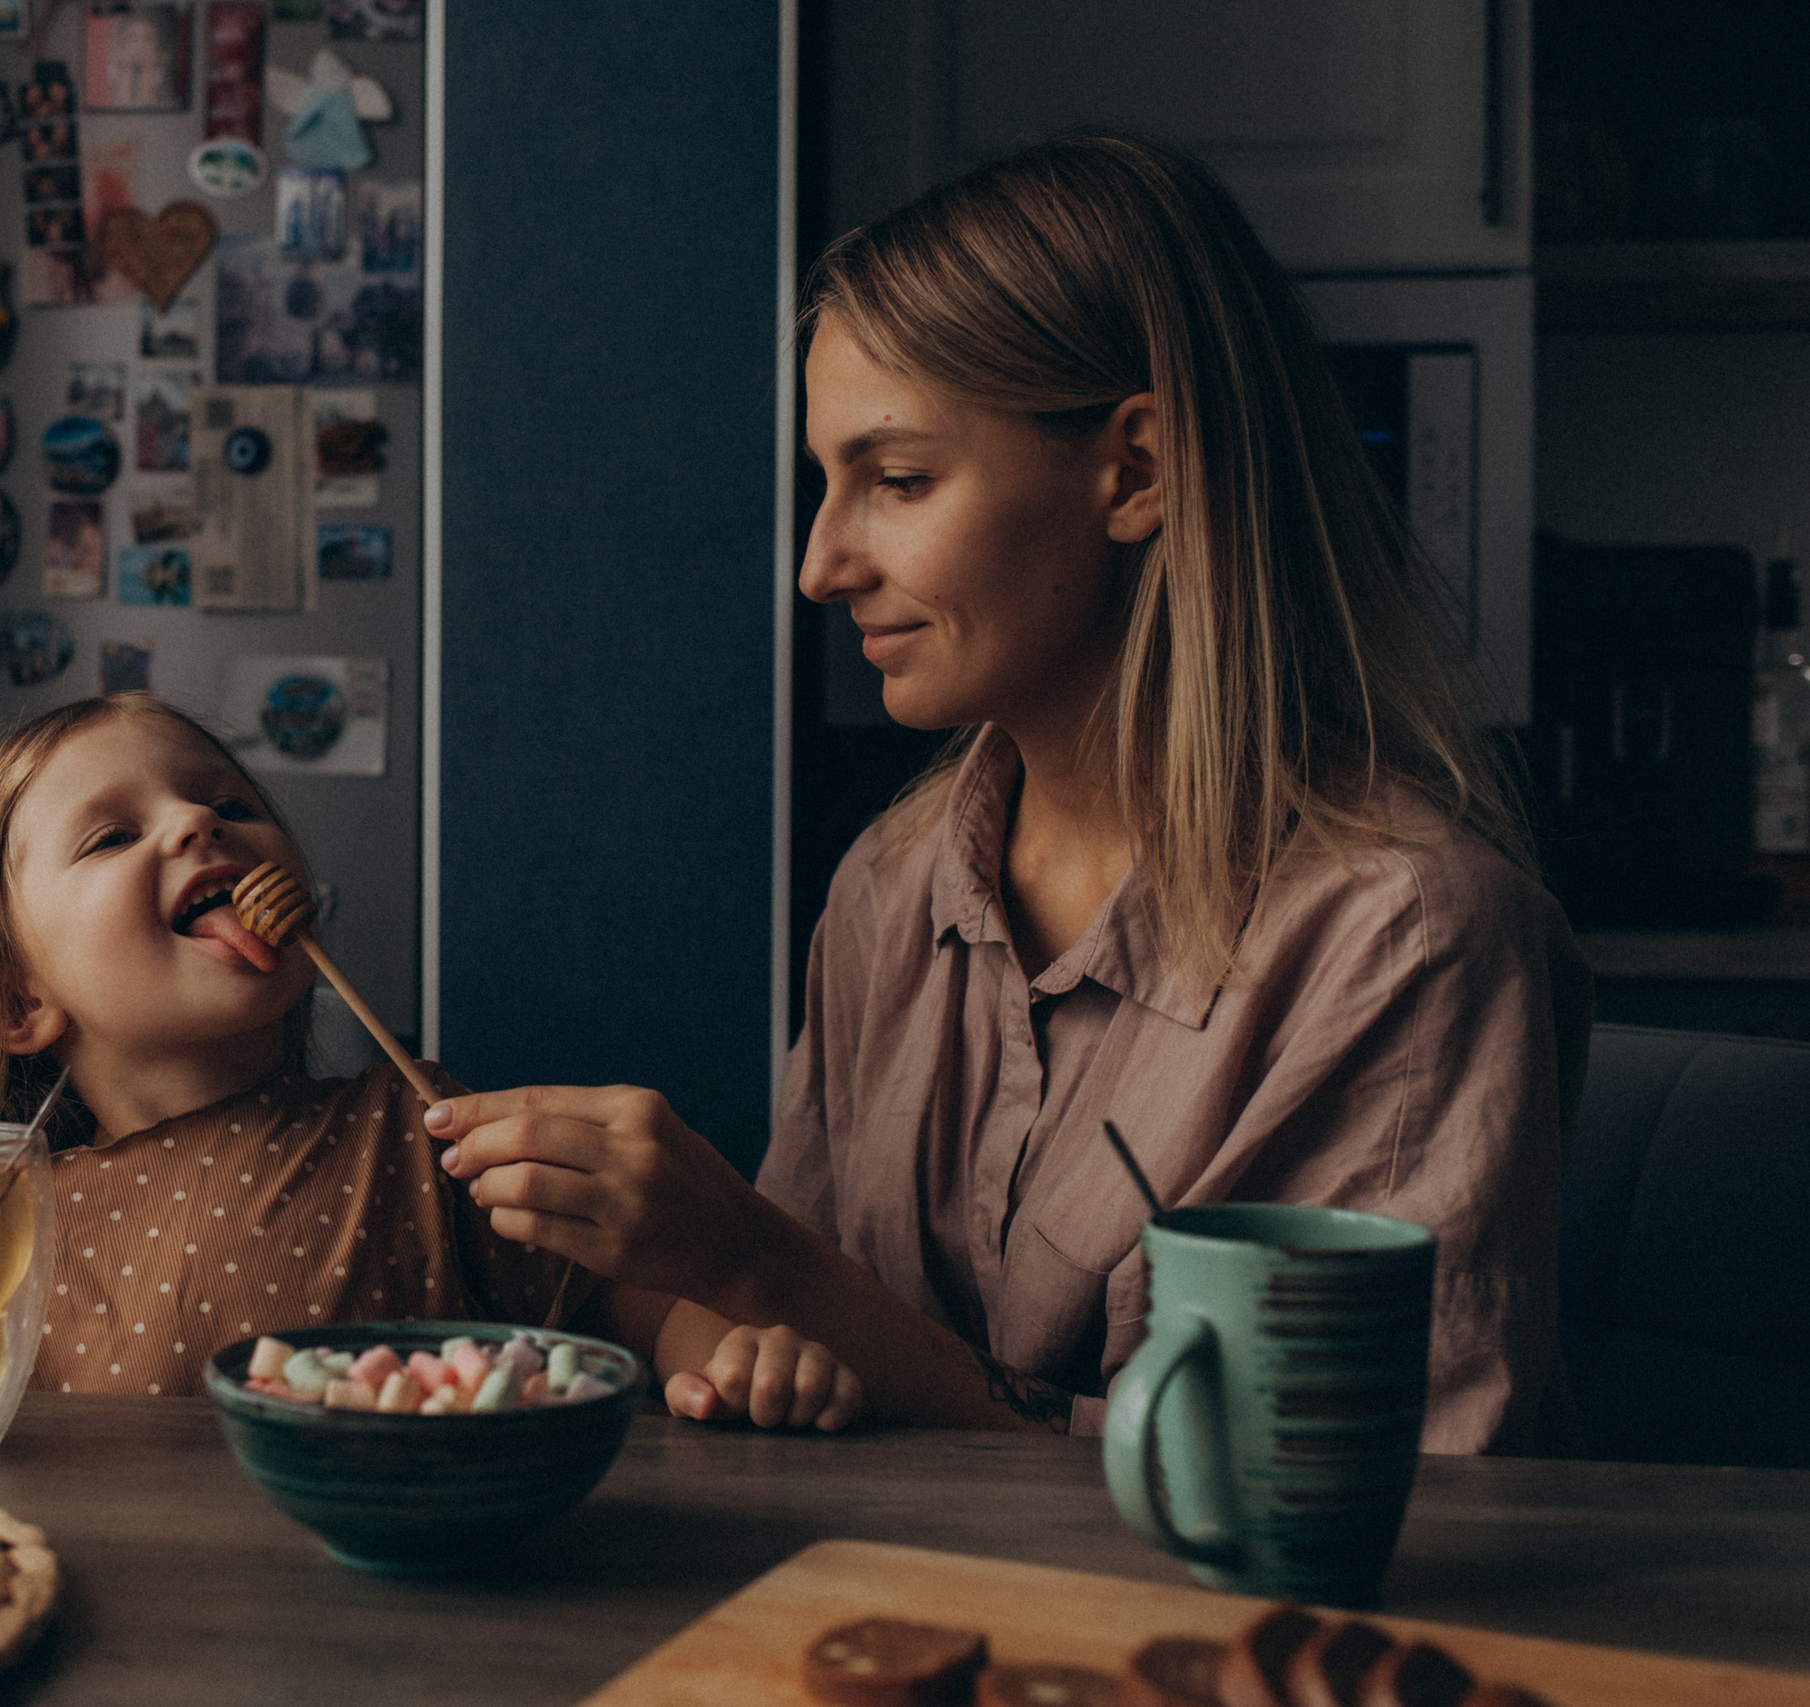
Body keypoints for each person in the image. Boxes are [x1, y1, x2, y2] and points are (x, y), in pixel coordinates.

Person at [430, 134, 1591, 1454]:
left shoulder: (1406, 940)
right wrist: (721, 1326)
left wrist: (771, 1268)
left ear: (1138, 471)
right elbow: (791, 1355)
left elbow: (1340, 1512)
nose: (821, 564)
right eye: (829, 483)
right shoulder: (890, 883)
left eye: (900, 479)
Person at [0, 692, 862, 1427]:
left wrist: (730, 1357)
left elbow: (622, 1302)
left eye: (227, 799)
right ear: (18, 1000)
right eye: (113, 834)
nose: (197, 822)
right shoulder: (7, 1233)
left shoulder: (421, 1125)